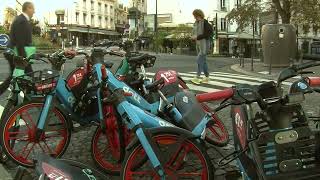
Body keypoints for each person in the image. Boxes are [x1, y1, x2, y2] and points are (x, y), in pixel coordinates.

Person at [8, 1, 35, 73]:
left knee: (16, 77)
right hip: (18, 55)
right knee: (28, 75)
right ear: (28, 8)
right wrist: (24, 58)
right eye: (33, 9)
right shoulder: (22, 21)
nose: (34, 12)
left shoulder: (21, 19)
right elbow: (19, 41)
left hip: (17, 54)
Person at [191, 9, 212, 85]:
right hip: (199, 45)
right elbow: (194, 33)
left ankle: (197, 77)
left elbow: (208, 33)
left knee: (199, 60)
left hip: (204, 45)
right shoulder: (196, 23)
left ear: (199, 15)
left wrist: (197, 37)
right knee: (204, 62)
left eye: (195, 16)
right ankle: (207, 77)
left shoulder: (205, 22)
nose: (194, 17)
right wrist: (193, 38)